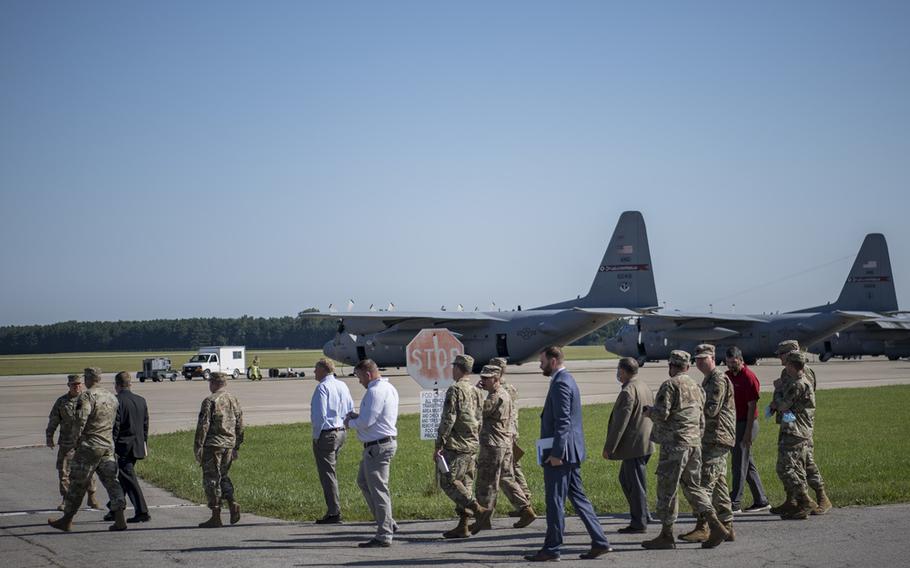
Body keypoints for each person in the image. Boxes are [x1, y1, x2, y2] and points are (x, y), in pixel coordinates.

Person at [525, 346, 612, 562]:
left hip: (561, 454)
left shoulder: (562, 383)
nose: (540, 365)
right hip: (570, 453)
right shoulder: (565, 380)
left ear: (553, 361)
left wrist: (556, 453)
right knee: (579, 499)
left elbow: (563, 421)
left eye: (542, 361)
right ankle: (600, 541)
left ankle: (552, 548)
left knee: (555, 501)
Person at [641, 351, 728, 550]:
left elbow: (662, 414)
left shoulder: (670, 385)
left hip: (675, 444)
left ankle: (666, 534)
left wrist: (648, 412)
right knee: (693, 486)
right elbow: (702, 418)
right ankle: (715, 524)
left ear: (671, 366)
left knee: (667, 488)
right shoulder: (698, 387)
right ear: (687, 367)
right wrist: (696, 438)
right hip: (694, 443)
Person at [48, 367, 128, 532]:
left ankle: (67, 520)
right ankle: (120, 518)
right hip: (107, 445)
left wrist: (75, 442)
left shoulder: (87, 396)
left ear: (88, 379)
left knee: (77, 483)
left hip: (90, 446)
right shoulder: (111, 397)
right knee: (112, 482)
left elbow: (80, 420)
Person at [679, 345, 736, 543]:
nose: (700, 362)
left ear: (713, 358)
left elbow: (711, 410)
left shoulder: (718, 379)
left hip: (716, 437)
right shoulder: (709, 379)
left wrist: (689, 409)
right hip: (714, 437)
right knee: (719, 482)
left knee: (703, 484)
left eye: (704, 358)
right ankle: (727, 526)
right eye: (697, 359)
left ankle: (704, 527)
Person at [471, 364, 535, 535]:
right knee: (506, 479)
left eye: (487, 378)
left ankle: (483, 519)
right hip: (503, 443)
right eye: (482, 377)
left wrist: (476, 393)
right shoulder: (502, 393)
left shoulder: (495, 396)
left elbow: (477, 413)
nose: (483, 380)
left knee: (486, 482)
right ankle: (525, 509)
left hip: (493, 445)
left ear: (496, 379)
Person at [772, 340, 831, 515]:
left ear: (791, 354)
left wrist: (779, 396)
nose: (779, 357)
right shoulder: (786, 373)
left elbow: (800, 400)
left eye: (782, 354)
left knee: (806, 462)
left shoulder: (804, 373)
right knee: (793, 462)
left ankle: (820, 497)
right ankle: (793, 500)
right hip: (790, 422)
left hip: (801, 425)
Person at [345, 359, 400, 548]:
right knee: (363, 481)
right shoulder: (388, 388)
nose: (359, 381)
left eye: (359, 376)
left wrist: (350, 423)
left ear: (367, 374)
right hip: (379, 445)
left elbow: (367, 421)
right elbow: (374, 418)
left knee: (379, 490)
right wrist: (357, 417)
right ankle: (388, 522)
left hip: (377, 447)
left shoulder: (375, 391)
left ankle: (384, 533)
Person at [434, 354, 486, 539]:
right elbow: (480, 418)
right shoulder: (477, 391)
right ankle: (463, 525)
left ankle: (477, 509)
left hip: (456, 445)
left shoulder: (455, 390)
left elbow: (448, 419)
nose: (452, 369)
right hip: (472, 444)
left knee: (448, 481)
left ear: (458, 368)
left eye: (454, 366)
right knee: (465, 484)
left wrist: (439, 444)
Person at [602, 357, 654, 534]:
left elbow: (620, 423)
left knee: (634, 484)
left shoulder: (628, 391)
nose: (617, 373)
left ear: (623, 371)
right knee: (626, 479)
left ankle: (639, 522)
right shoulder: (643, 386)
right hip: (645, 442)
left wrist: (610, 447)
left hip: (634, 446)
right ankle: (643, 513)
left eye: (619, 370)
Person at [769, 350, 817, 520]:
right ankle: (799, 504)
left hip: (795, 432)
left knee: (785, 468)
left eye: (787, 363)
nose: (785, 366)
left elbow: (782, 405)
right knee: (795, 468)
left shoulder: (797, 384)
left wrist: (777, 390)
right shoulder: (799, 381)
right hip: (795, 430)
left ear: (792, 365)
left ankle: (805, 500)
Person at [194, 372, 244, 528]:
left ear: (214, 383)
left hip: (213, 445)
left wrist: (198, 446)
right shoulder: (233, 400)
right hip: (229, 444)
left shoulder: (210, 400)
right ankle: (232, 502)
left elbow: (203, 425)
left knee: (211, 479)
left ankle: (216, 515)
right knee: (223, 476)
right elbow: (240, 424)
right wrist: (236, 446)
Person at [45, 373, 101, 511]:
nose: (76, 387)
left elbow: (98, 419)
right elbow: (54, 419)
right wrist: (49, 436)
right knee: (64, 471)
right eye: (73, 385)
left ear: (82, 385)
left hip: (85, 442)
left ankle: (92, 496)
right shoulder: (61, 402)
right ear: (68, 385)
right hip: (67, 442)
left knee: (89, 470)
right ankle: (66, 499)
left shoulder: (89, 399)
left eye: (78, 384)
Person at [724, 346, 770, 513]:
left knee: (738, 464)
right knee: (747, 463)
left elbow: (752, 408)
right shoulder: (727, 376)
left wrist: (748, 433)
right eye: (728, 362)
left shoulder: (749, 377)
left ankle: (735, 502)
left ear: (741, 360)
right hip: (734, 423)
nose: (731, 365)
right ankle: (761, 500)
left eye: (734, 362)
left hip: (748, 423)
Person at [310, 357, 354, 524]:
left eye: (316, 368)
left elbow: (319, 416)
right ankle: (334, 509)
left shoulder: (322, 387)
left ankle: (334, 511)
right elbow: (350, 408)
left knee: (327, 474)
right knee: (331, 472)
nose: (314, 372)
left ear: (323, 370)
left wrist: (316, 437)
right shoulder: (342, 385)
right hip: (341, 431)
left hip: (327, 433)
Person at [489, 357, 533, 517]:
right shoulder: (510, 387)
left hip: (504, 433)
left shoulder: (502, 389)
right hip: (511, 431)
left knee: (511, 468)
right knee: (512, 467)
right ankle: (524, 500)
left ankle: (525, 500)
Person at [111, 371, 150, 523]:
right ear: (130, 384)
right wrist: (144, 443)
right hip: (137, 445)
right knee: (124, 478)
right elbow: (145, 425)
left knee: (128, 478)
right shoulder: (141, 400)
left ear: (117, 385)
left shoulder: (116, 401)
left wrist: (111, 446)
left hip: (123, 446)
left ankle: (142, 511)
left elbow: (116, 426)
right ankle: (113, 509)